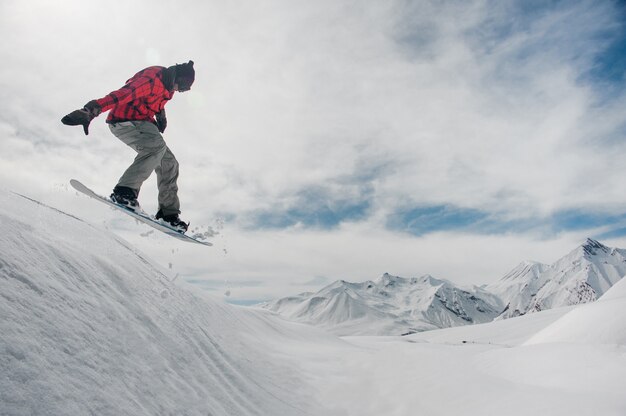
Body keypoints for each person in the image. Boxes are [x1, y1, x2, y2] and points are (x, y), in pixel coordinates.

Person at [62, 61, 195, 232]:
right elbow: (124, 94)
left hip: (141, 122)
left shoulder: (169, 86)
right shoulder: (152, 79)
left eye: (183, 89)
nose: (179, 90)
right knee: (156, 147)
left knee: (169, 163)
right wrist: (91, 109)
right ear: (178, 77)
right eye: (182, 86)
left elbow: (157, 102)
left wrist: (160, 115)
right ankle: (124, 192)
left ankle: (168, 214)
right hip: (124, 121)